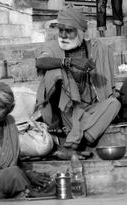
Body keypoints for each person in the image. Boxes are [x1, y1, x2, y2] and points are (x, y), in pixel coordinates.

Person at [35, 7, 121, 153]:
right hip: (66, 112)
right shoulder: (53, 47)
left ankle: (81, 140)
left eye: (68, 31)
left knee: (114, 103)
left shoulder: (96, 48)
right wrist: (70, 62)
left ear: (80, 32)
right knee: (56, 72)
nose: (63, 35)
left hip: (90, 109)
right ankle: (77, 136)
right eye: (60, 30)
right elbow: (40, 62)